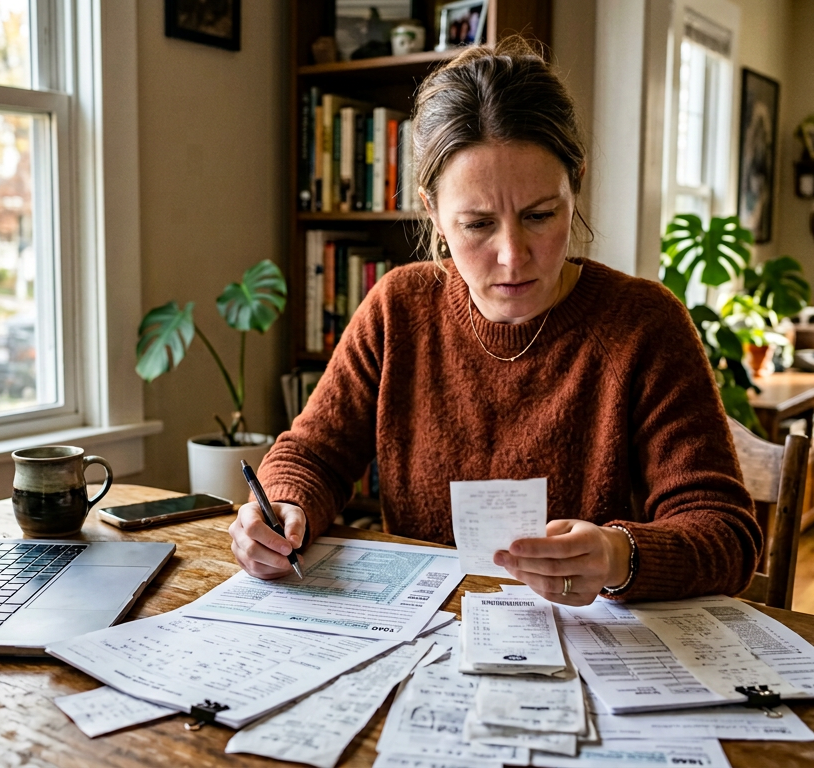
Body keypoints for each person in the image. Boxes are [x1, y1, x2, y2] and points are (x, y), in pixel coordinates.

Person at [229, 38, 761, 605]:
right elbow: (312, 455)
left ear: (574, 183)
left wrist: (618, 555)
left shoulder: (643, 325)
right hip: (420, 642)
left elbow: (725, 531)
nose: (512, 255)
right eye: (478, 225)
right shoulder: (397, 308)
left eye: (539, 216)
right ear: (431, 210)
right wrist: (285, 504)